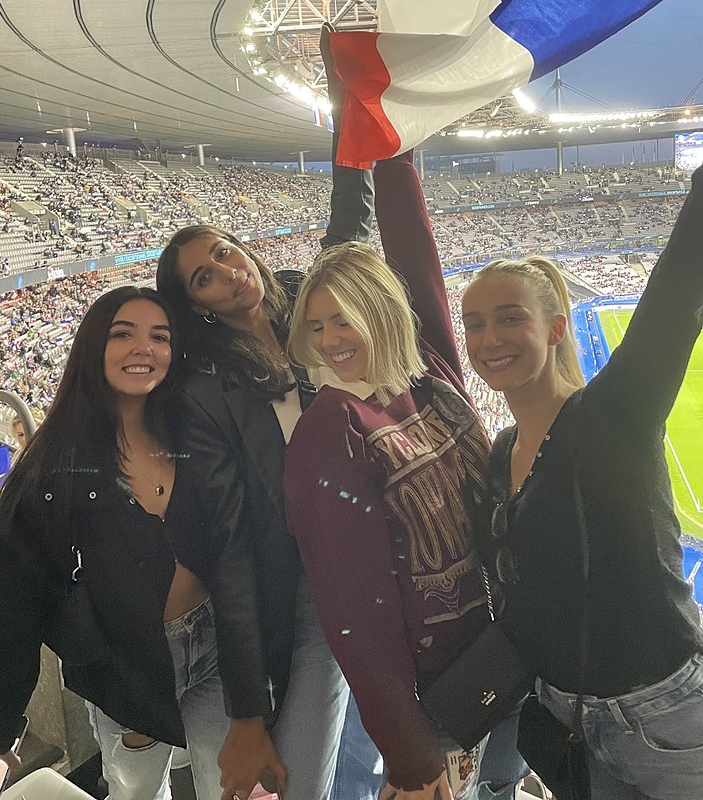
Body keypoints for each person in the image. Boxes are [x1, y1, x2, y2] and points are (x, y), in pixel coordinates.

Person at [284, 150, 528, 800]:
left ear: (382, 309)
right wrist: (411, 751)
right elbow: (352, 610)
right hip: (429, 698)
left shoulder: (431, 371)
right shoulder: (331, 429)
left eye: (345, 318)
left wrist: (393, 143)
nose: (331, 339)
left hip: (505, 651)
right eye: (317, 325)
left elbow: (414, 249)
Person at [460, 168, 703, 800]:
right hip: (566, 718)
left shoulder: (613, 414)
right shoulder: (502, 452)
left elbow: (678, 289)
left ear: (557, 327)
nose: (489, 339)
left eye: (508, 318)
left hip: (668, 717)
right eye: (475, 323)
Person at [156, 149, 382, 800]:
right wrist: (246, 711)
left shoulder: (302, 302)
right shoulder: (205, 391)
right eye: (204, 277)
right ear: (195, 307)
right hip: (306, 591)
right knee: (300, 778)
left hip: (378, 561)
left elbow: (349, 239)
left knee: (376, 758)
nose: (228, 273)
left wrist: (352, 129)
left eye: (225, 252)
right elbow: (231, 548)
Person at [0, 286, 236, 800]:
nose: (144, 348)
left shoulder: (195, 433)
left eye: (160, 336)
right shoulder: (50, 469)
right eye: (122, 333)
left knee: (229, 785)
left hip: (215, 643)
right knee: (137, 793)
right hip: (126, 667)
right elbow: (8, 608)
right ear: (93, 348)